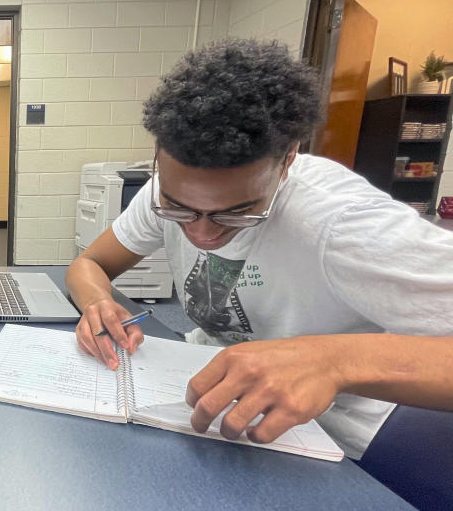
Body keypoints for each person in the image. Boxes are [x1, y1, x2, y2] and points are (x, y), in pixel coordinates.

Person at [66, 38, 453, 461]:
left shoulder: (345, 222)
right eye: (180, 209)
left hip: (331, 440)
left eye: (236, 213)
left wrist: (336, 361)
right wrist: (98, 303)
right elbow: (90, 263)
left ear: (287, 161)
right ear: (158, 156)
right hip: (210, 399)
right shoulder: (164, 191)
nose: (201, 232)